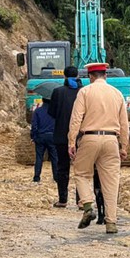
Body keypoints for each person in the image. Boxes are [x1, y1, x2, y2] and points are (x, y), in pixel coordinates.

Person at [68, 62, 130, 235]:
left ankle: (88, 206)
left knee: (82, 173)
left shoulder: (85, 92)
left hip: (89, 137)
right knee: (111, 182)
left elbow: (76, 119)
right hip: (111, 139)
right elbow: (124, 123)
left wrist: (71, 142)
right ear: (106, 75)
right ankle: (111, 223)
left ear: (90, 77)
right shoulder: (117, 94)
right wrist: (124, 146)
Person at [49, 66, 82, 206]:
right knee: (81, 169)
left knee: (62, 167)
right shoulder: (84, 91)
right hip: (81, 136)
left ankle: (63, 199)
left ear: (64, 76)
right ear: (78, 75)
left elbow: (51, 112)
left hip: (62, 135)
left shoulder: (58, 92)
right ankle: (81, 200)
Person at [30, 98, 58, 183]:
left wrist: (33, 136)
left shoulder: (38, 111)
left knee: (39, 157)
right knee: (54, 157)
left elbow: (34, 125)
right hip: (52, 136)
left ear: (42, 100)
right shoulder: (56, 111)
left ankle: (36, 177)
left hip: (40, 136)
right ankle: (56, 177)